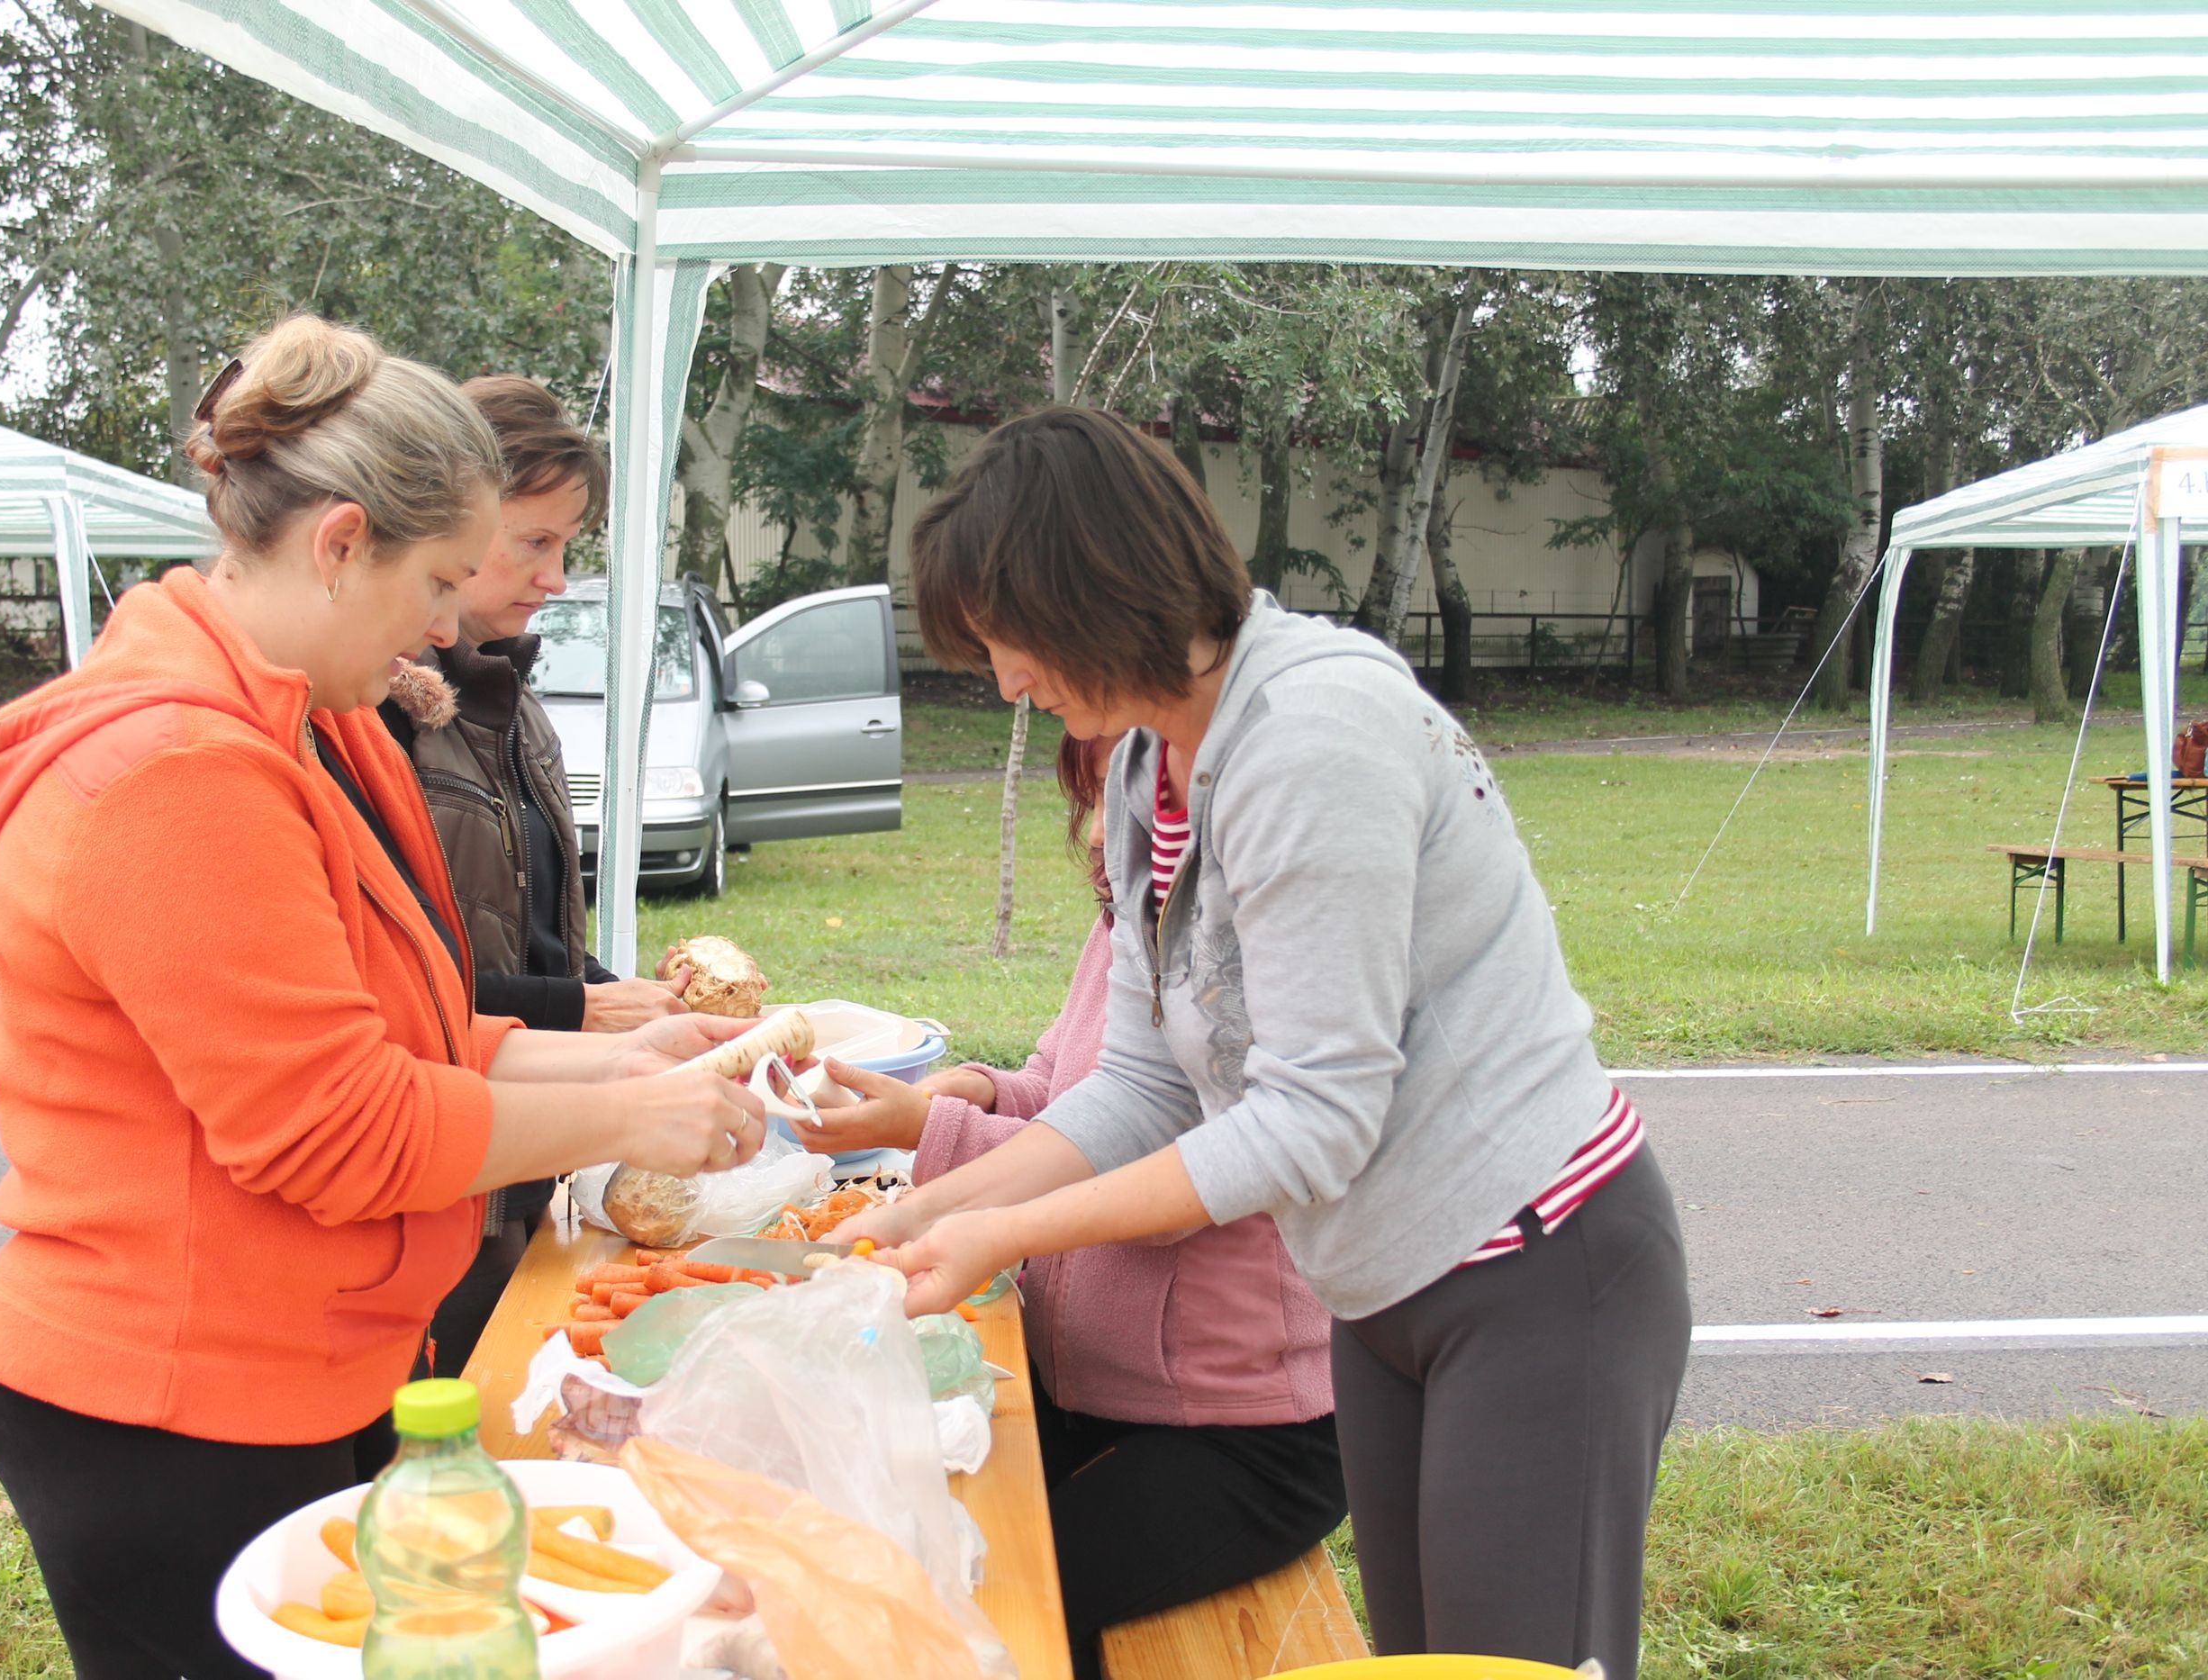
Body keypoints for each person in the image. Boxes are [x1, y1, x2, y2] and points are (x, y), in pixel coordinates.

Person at [0, 315, 765, 1680]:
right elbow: (340, 1129)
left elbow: (409, 1038)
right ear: (339, 545)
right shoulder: (176, 773)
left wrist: (628, 1068)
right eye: (439, 578)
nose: (449, 621)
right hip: (175, 1409)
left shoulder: (307, 721)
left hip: (304, 1371)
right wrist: (633, 1116)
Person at [837, 407, 1691, 1680]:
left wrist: (1001, 1232)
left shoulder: (1311, 735)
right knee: (1427, 1662)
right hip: (1379, 1290)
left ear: (1091, 589)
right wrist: (927, 1211)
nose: (1007, 683)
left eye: (1010, 642)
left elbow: (1312, 1120)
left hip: (1535, 1268)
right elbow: (1144, 1084)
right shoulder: (1150, 763)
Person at [807, 731, 1343, 1679]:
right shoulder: (1126, 924)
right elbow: (1067, 1087)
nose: (1099, 831)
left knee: (990, 1600)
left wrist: (943, 1172)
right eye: (1090, 797)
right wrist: (963, 1097)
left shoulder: (1245, 941)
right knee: (916, 1531)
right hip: (1089, 1390)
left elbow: (1160, 1184)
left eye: (1121, 797)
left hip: (1236, 1433)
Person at [380, 372, 687, 1378]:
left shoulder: (512, 704)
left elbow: (524, 932)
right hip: (436, 1175)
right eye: (533, 542)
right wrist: (587, 1016)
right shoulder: (373, 715)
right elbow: (396, 991)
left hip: (507, 1165)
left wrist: (620, 1001)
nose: (554, 577)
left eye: (568, 545)